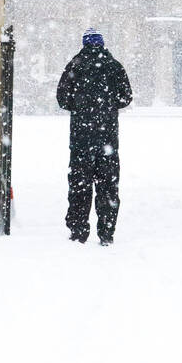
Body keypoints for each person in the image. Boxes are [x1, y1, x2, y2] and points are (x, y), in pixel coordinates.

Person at [56, 29, 133, 246]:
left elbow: (62, 98)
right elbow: (125, 97)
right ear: (102, 44)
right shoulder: (114, 66)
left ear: (84, 44)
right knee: (108, 186)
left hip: (81, 137)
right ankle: (107, 232)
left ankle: (78, 230)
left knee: (80, 185)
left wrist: (80, 107)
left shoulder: (75, 66)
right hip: (107, 136)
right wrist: (107, 107)